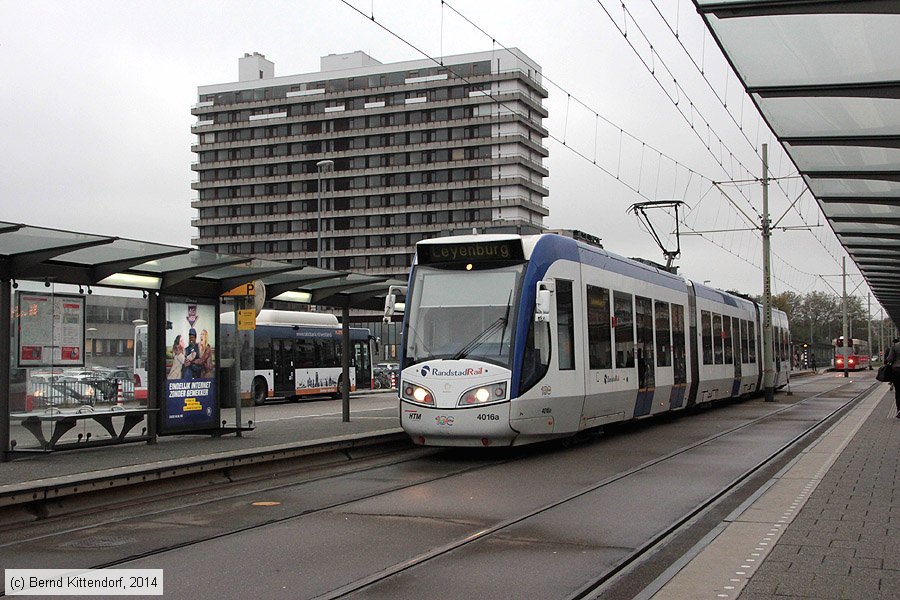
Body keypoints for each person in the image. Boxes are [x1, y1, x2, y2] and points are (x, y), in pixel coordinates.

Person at [884, 338, 900, 418]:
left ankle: (899, 410)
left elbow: (889, 359)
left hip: (897, 370)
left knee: (898, 391)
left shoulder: (895, 346)